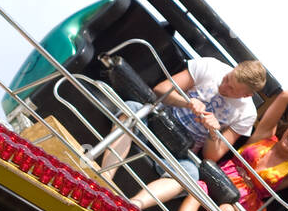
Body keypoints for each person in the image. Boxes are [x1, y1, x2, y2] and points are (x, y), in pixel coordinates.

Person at [101, 57, 266, 193]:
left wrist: (213, 132)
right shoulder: (210, 66)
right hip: (154, 122)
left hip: (179, 153)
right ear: (234, 67)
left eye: (232, 89)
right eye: (227, 78)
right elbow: (161, 90)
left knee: (191, 174)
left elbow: (212, 156)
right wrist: (187, 103)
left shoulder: (247, 114)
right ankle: (104, 178)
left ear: (247, 95)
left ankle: (134, 205)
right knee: (132, 109)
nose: (224, 86)